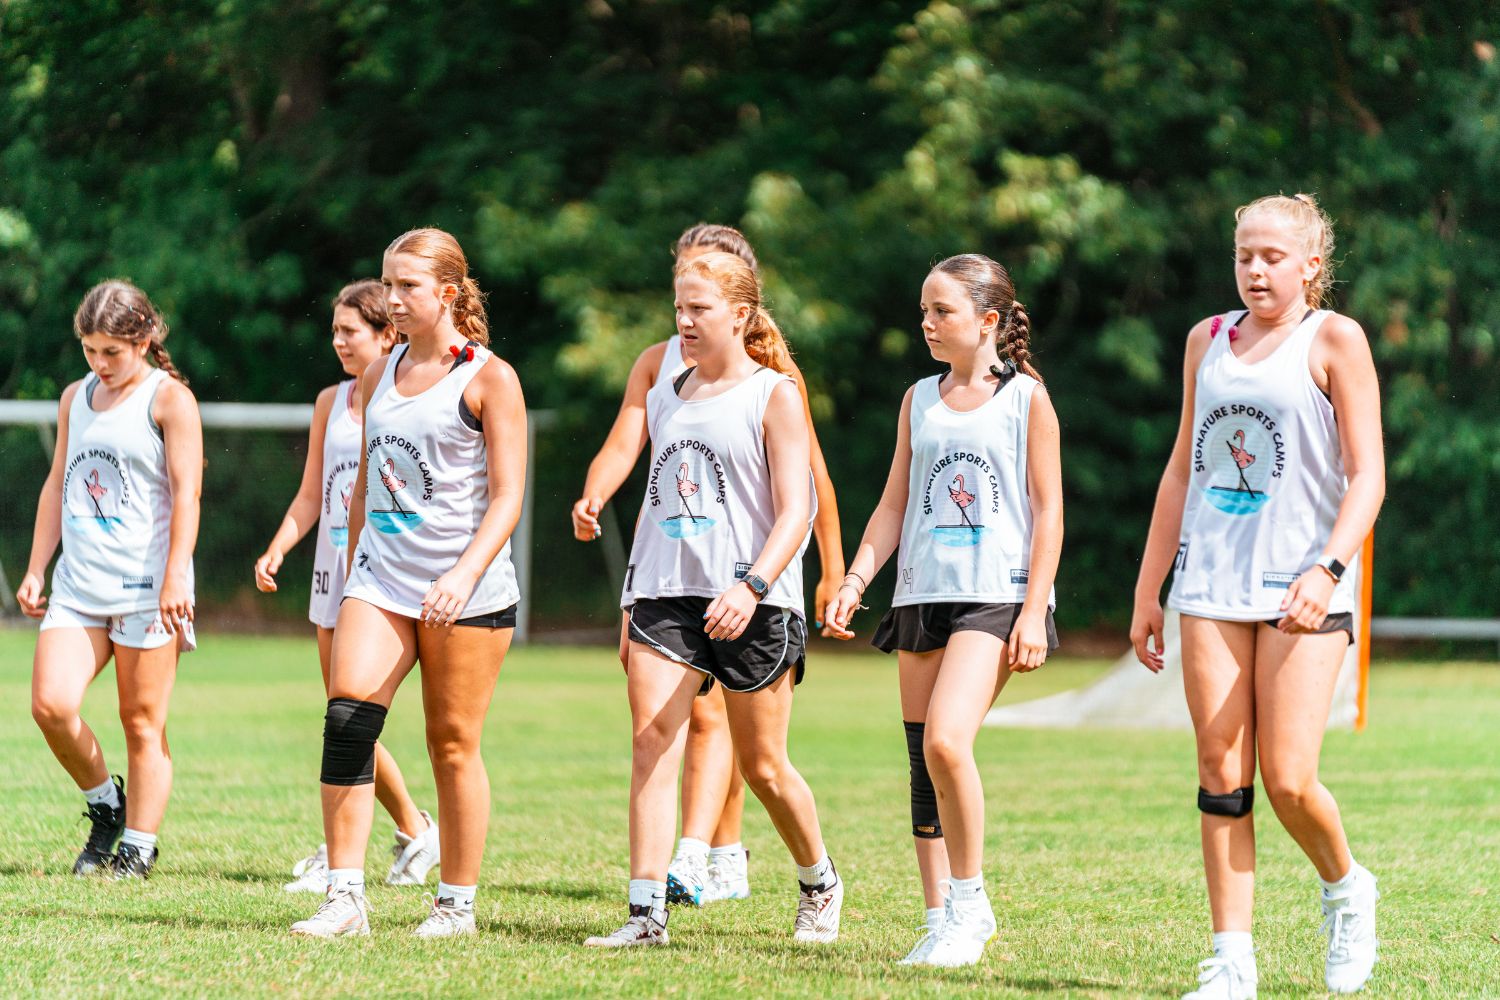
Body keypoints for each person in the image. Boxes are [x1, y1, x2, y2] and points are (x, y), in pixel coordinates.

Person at [1130, 194, 1384, 998]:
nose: (1255, 270)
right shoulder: (1206, 340)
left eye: (1274, 256)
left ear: (1311, 264)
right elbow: (1181, 470)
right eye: (1245, 255)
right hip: (1209, 587)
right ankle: (1231, 960)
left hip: (1303, 591)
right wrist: (1150, 589)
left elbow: (1368, 475)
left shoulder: (1335, 340)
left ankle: (1347, 888)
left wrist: (1328, 571)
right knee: (1220, 770)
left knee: (1288, 780)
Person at [571, 223, 846, 906]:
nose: (686, 319)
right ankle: (657, 897)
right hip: (669, 584)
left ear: (740, 307)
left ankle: (805, 877)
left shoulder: (773, 387)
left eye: (700, 305)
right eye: (679, 304)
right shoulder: (661, 376)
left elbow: (806, 492)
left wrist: (824, 572)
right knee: (655, 735)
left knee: (760, 761)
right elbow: (638, 458)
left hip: (750, 588)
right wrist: (597, 497)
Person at [289, 228, 526, 939]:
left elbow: (508, 496)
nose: (391, 300)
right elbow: (363, 480)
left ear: (448, 294)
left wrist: (463, 572)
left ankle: (455, 904)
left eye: (407, 287)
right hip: (380, 582)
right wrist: (353, 565)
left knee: (451, 744)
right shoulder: (376, 371)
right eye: (387, 285)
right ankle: (345, 898)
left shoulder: (489, 377)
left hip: (467, 591)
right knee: (346, 721)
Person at [825, 254, 1062, 967]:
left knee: (947, 742)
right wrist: (855, 578)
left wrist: (1032, 609)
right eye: (923, 311)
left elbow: (1049, 510)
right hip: (920, 593)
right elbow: (895, 501)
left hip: (996, 595)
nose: (926, 324)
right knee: (921, 763)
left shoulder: (1027, 399)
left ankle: (970, 904)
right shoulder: (917, 399)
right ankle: (938, 921)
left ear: (988, 320)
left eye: (941, 312)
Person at [254, 280, 438, 893]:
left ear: (389, 335)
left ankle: (394, 835)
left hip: (390, 572)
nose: (337, 341)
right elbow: (314, 492)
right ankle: (407, 830)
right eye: (333, 331)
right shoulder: (330, 401)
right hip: (335, 575)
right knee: (345, 716)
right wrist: (281, 545)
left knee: (351, 715)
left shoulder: (410, 396)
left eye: (349, 331)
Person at [18, 280, 202, 880]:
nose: (101, 364)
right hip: (80, 584)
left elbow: (187, 493)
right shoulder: (75, 397)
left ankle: (139, 848)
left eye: (112, 353)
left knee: (141, 722)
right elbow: (57, 484)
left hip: (147, 588)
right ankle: (106, 805)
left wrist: (177, 574)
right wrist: (36, 567)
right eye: (91, 350)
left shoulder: (169, 400)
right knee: (51, 704)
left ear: (144, 340)